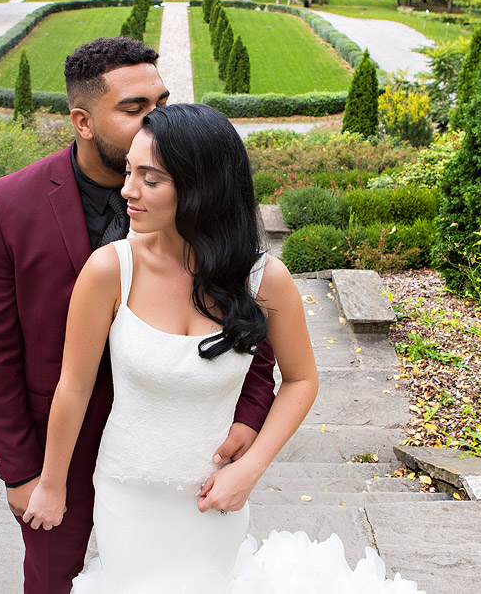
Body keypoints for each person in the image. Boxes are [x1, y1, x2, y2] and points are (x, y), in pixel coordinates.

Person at [22, 103, 420, 593]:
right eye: (129, 171)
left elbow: (301, 379)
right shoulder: (110, 269)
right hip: (127, 493)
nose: (128, 190)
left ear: (201, 186)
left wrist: (249, 471)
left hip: (215, 497)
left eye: (151, 178)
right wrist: (52, 481)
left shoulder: (264, 279)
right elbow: (74, 387)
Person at [0, 38, 277, 594]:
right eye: (135, 110)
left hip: (179, 457)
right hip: (57, 450)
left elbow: (251, 318)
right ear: (83, 121)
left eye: (163, 101)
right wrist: (21, 470)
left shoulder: (201, 207)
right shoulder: (5, 208)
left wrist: (250, 416)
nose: (158, 120)